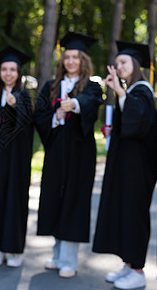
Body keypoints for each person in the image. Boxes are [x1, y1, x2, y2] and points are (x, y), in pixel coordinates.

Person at [34, 32, 102, 278]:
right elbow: (39, 116)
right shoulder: (50, 87)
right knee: (55, 198)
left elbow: (91, 103)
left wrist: (74, 105)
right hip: (56, 151)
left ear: (83, 60)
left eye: (76, 57)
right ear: (62, 60)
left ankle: (69, 259)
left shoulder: (92, 86)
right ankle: (57, 253)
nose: (71, 61)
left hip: (80, 153)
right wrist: (56, 117)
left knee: (74, 199)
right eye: (67, 57)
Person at [92, 41, 157, 289]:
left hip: (139, 169)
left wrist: (120, 93)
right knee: (124, 212)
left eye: (123, 63)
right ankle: (128, 264)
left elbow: (139, 123)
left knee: (135, 215)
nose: (118, 67)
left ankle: (138, 271)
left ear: (136, 65)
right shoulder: (131, 90)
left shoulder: (142, 90)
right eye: (117, 63)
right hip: (126, 165)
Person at [0, 45, 33, 268]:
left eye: (13, 69)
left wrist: (16, 106)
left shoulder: (23, 96)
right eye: (4, 69)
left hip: (18, 159)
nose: (8, 73)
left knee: (15, 201)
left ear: (19, 73)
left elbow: (27, 126)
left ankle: (15, 250)